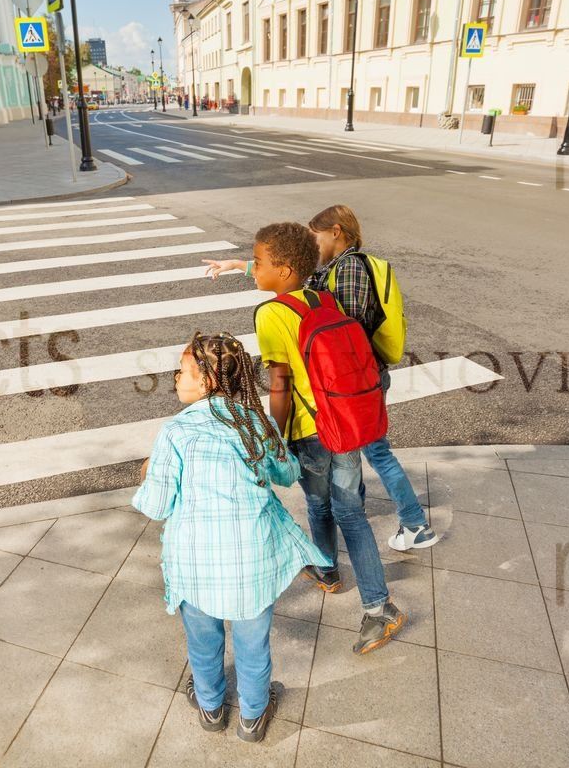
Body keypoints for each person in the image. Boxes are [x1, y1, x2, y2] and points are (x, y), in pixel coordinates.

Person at [133, 332, 331, 743]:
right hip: (252, 561)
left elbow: (155, 505)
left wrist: (147, 472)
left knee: (203, 643)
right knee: (253, 645)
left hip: (195, 563)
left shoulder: (177, 432)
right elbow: (287, 473)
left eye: (182, 371)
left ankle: (210, 708)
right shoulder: (254, 422)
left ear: (206, 380)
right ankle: (253, 717)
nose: (176, 378)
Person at [204, 207, 438, 552]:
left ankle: (414, 522)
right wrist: (242, 266)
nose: (312, 244)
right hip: (349, 385)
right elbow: (297, 279)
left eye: (315, 236)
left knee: (376, 452)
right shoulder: (331, 270)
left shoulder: (350, 269)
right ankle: (364, 512)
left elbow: (348, 331)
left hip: (355, 384)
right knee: (362, 453)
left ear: (336, 232)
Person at [248, 222, 406, 655]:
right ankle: (327, 571)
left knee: (328, 506)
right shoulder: (322, 295)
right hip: (345, 422)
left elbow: (279, 384)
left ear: (282, 270)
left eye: (258, 262)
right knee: (342, 508)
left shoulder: (270, 314)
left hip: (309, 432)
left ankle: (377, 605)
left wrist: (273, 436)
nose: (253, 269)